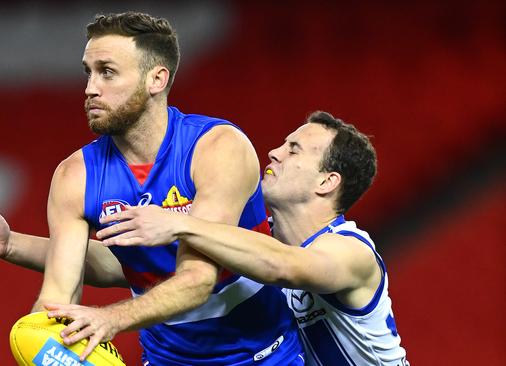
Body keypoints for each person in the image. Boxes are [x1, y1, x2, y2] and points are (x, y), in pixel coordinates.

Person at [0, 12, 303, 365]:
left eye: (107, 71)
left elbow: (197, 280)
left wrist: (110, 318)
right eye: (87, 72)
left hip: (266, 354)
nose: (90, 88)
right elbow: (57, 298)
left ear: (156, 79)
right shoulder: (75, 176)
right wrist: (46, 341)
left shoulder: (216, 148)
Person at [96, 111, 410, 366]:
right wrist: (50, 253)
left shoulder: (351, 251)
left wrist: (180, 223)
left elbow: (282, 265)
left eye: (293, 149)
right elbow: (128, 265)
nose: (274, 153)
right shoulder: (255, 241)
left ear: (327, 181)